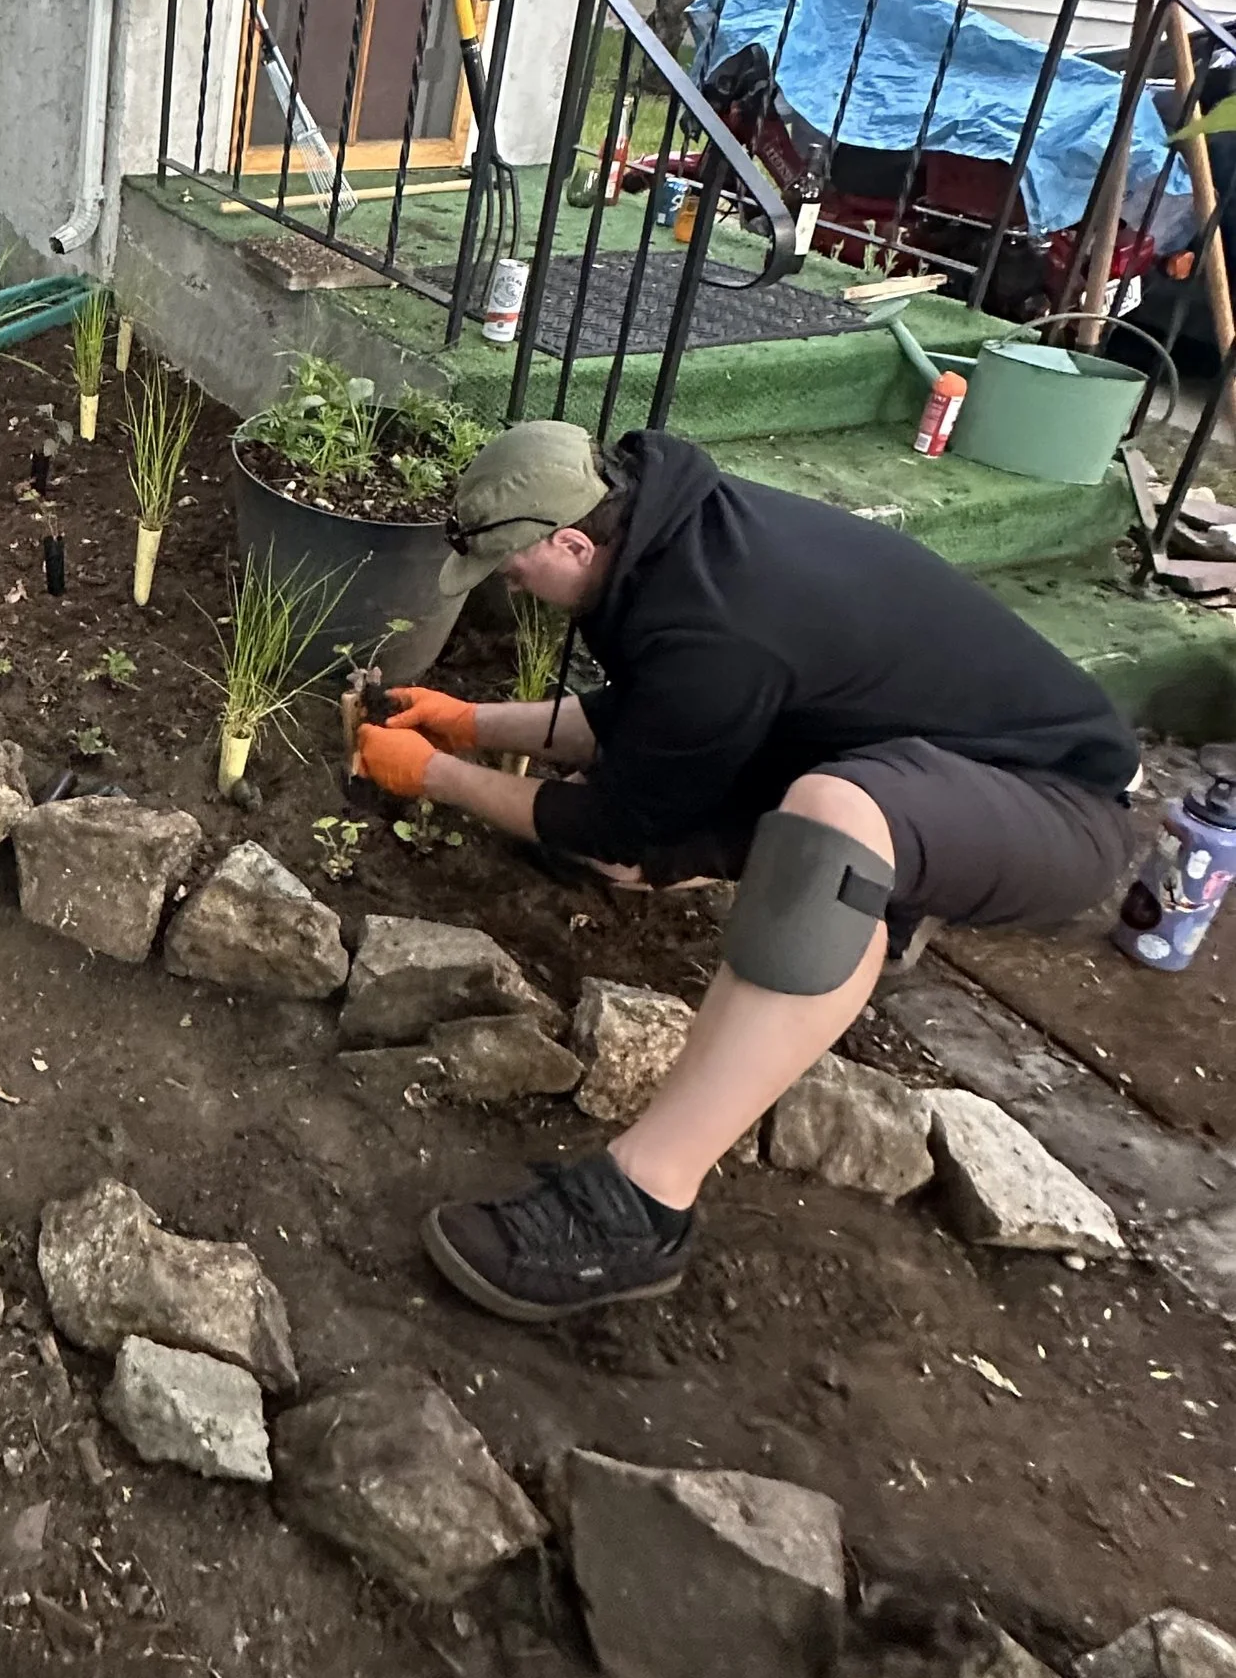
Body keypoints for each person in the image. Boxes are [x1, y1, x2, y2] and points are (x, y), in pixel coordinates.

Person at [347, 420, 1143, 1324]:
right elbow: (659, 716)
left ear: (572, 540)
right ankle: (872, 911)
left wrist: (436, 776)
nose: (510, 585)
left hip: (1062, 807)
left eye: (513, 567)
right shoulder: (681, 537)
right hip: (926, 757)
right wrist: (469, 720)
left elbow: (618, 828)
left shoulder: (713, 617)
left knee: (830, 827)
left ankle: (642, 1205)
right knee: (807, 828)